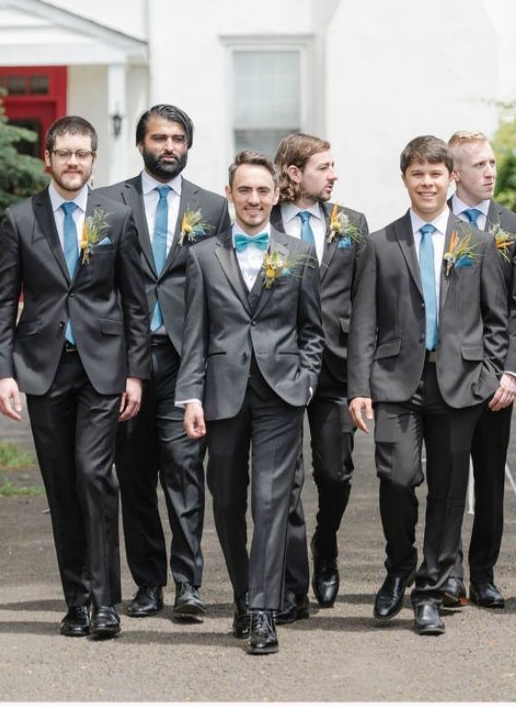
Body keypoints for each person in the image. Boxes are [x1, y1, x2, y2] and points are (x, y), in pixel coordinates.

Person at [0, 115, 150, 639]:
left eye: (83, 154)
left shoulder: (117, 216)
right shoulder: (19, 219)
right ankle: (76, 601)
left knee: (93, 474)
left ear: (93, 161)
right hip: (43, 368)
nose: (74, 163)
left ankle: (107, 602)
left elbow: (135, 301)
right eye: (65, 154)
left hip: (103, 368)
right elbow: (0, 306)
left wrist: (135, 373)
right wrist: (2, 373)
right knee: (61, 486)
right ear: (49, 159)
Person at [348, 135, 508, 635]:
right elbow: (363, 323)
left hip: (459, 383)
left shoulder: (477, 242)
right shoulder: (381, 242)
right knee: (397, 479)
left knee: (449, 490)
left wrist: (489, 375)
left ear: (450, 179)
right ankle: (399, 566)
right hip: (395, 381)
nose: (427, 182)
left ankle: (429, 589)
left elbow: (497, 318)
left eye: (436, 174)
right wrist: (359, 386)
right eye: (418, 174)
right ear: (405, 180)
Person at [175, 150, 323, 654]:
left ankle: (264, 611)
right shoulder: (203, 256)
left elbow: (312, 331)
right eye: (245, 190)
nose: (254, 199)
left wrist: (305, 381)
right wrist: (189, 396)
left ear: (277, 193)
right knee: (226, 499)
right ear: (230, 193)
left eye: (263, 190)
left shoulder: (299, 252)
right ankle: (242, 595)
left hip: (282, 392)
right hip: (221, 390)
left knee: (270, 501)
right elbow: (194, 334)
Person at [96, 104, 230, 620]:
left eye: (177, 138)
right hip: (125, 358)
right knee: (133, 474)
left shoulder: (213, 208)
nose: (168, 146)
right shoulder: (108, 202)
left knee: (183, 470)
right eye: (159, 138)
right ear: (140, 144)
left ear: (188, 146)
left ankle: (188, 583)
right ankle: (147, 583)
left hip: (183, 356)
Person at [270, 133, 368, 618]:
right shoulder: (263, 222)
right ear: (293, 173)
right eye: (323, 167)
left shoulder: (352, 224)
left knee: (335, 473)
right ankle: (293, 587)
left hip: (336, 368)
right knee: (284, 482)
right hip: (280, 367)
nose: (333, 175)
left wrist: (364, 378)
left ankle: (324, 542)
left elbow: (366, 301)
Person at [442, 131, 516, 609]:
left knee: (491, 477)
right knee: (450, 476)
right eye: (479, 164)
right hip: (450, 374)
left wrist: (511, 372)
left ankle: (484, 573)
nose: (490, 171)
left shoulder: (513, 225)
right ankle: (448, 572)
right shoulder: (439, 223)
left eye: (493, 162)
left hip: (496, 375)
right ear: (455, 173)